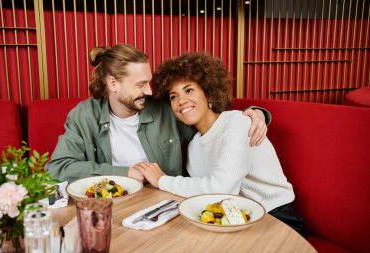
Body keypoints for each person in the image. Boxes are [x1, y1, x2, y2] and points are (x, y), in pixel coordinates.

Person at [135, 52, 306, 237]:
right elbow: (208, 197)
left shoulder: (238, 123)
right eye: (173, 96)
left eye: (189, 90)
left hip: (278, 219)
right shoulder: (194, 145)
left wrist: (161, 180)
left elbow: (222, 189)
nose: (181, 101)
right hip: (236, 220)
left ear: (208, 92)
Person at [45, 44, 270, 184]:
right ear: (113, 84)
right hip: (114, 206)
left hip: (165, 205)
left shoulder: (164, 108)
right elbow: (58, 167)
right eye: (140, 84)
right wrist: (124, 173)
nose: (150, 91)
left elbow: (210, 122)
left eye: (149, 82)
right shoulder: (84, 116)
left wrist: (252, 114)